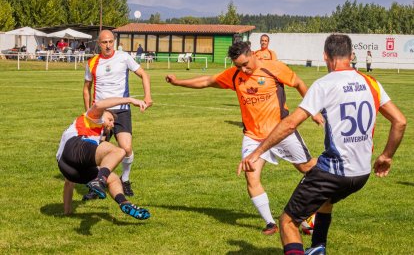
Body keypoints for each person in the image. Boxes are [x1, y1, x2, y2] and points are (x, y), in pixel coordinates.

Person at [240, 34, 406, 254]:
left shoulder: (325, 84)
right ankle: (318, 247)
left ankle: (312, 246)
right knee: (325, 200)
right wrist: (386, 156)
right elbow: (400, 121)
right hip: (362, 173)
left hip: (334, 171)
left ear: (326, 57)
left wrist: (257, 152)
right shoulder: (371, 82)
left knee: (288, 222)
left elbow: (290, 124)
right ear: (351, 55)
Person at [166, 41, 323, 235]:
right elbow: (207, 81)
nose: (243, 69)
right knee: (251, 176)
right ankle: (270, 223)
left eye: (245, 64)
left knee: (308, 169)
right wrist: (177, 81)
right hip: (253, 135)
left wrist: (313, 110)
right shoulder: (235, 76)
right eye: (238, 66)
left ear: (252, 54)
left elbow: (298, 83)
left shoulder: (273, 68)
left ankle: (319, 201)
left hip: (281, 131)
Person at [83, 30, 153, 200]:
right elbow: (86, 88)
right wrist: (89, 113)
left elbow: (144, 74)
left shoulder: (123, 57)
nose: (108, 45)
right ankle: (95, 184)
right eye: (104, 42)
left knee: (126, 148)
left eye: (110, 41)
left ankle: (125, 179)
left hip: (122, 109)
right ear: (98, 43)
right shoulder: (92, 63)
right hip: (100, 111)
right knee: (96, 150)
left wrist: (148, 96)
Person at [57, 96, 151, 220]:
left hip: (67, 168)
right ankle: (100, 180)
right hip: (74, 146)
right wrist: (129, 100)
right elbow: (98, 106)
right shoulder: (91, 118)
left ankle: (124, 203)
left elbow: (69, 183)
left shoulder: (95, 135)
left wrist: (67, 212)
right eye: (110, 119)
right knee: (119, 151)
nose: (112, 124)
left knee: (113, 179)